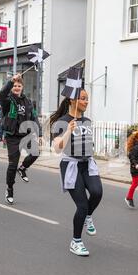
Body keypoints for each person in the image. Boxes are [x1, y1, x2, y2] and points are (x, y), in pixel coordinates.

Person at [50, 89, 103, 257]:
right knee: (81, 205)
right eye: (83, 99)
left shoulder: (87, 121)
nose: (86, 102)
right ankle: (76, 241)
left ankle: (88, 216)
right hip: (70, 165)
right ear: (73, 101)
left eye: (87, 99)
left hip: (88, 163)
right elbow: (57, 149)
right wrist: (68, 131)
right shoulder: (61, 121)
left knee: (97, 192)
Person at [0, 74, 42, 204]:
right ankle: (10, 188)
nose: (17, 87)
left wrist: (39, 134)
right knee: (12, 164)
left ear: (22, 87)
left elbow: (34, 117)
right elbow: (2, 92)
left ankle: (23, 168)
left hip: (25, 134)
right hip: (12, 136)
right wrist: (10, 81)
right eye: (15, 86)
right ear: (12, 87)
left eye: (19, 85)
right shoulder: (7, 100)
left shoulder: (28, 101)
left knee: (36, 152)